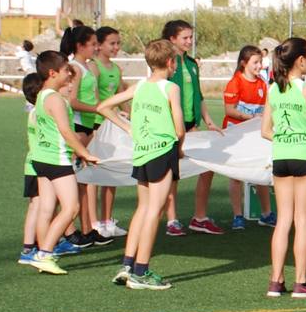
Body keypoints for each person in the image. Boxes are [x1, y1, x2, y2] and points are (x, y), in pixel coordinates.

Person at [97, 39, 185, 290]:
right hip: (162, 151)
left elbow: (103, 107)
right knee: (154, 211)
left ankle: (127, 265)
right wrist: (179, 150)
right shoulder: (170, 88)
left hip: (143, 153)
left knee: (143, 208)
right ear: (170, 63)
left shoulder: (140, 86)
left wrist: (131, 130)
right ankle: (141, 271)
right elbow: (179, 128)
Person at [261, 36, 306, 298]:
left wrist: (284, 139)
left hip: (281, 157)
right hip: (304, 156)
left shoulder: (273, 90)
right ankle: (301, 281)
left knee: (283, 220)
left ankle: (276, 281)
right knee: (302, 220)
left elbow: (266, 130)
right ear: (301, 60)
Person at [29, 50, 100, 269]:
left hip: (41, 159)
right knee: (71, 208)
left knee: (47, 209)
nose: (69, 74)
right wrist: (84, 152)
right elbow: (66, 131)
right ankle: (45, 253)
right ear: (52, 73)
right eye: (65, 71)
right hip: (57, 160)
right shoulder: (56, 100)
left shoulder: (41, 96)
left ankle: (43, 252)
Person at [161, 20, 225, 236]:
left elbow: (200, 96)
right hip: (171, 126)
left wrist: (208, 121)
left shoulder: (192, 64)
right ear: (172, 39)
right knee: (172, 174)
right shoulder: (165, 64)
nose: (189, 41)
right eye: (185, 38)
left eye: (191, 37)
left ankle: (199, 217)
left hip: (191, 126)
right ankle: (172, 220)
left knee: (207, 167)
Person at [61, 25, 108, 249]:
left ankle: (88, 229)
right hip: (79, 126)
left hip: (89, 127)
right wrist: (99, 109)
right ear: (80, 46)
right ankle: (68, 232)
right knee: (72, 182)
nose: (96, 47)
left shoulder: (89, 67)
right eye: (92, 44)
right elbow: (72, 102)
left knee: (85, 181)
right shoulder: (75, 68)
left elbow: (95, 97)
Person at [17, 72, 64, 274]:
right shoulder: (40, 112)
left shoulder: (35, 111)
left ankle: (32, 247)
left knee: (38, 206)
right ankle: (32, 248)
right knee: (39, 206)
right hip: (39, 162)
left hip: (34, 163)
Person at [224, 44, 274, 230]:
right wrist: (252, 118)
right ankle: (238, 216)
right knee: (236, 176)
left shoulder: (262, 83)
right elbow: (229, 110)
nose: (259, 65)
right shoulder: (235, 82)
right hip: (236, 136)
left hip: (254, 136)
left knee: (260, 172)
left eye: (260, 62)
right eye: (255, 62)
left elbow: (266, 108)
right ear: (244, 63)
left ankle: (266, 214)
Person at [94, 26, 127, 240]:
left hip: (113, 126)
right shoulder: (94, 68)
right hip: (98, 125)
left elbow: (122, 97)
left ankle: (107, 220)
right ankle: (94, 223)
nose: (116, 47)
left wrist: (129, 116)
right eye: (112, 43)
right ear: (99, 45)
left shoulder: (116, 69)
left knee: (111, 176)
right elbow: (95, 100)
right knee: (95, 177)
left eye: (118, 43)